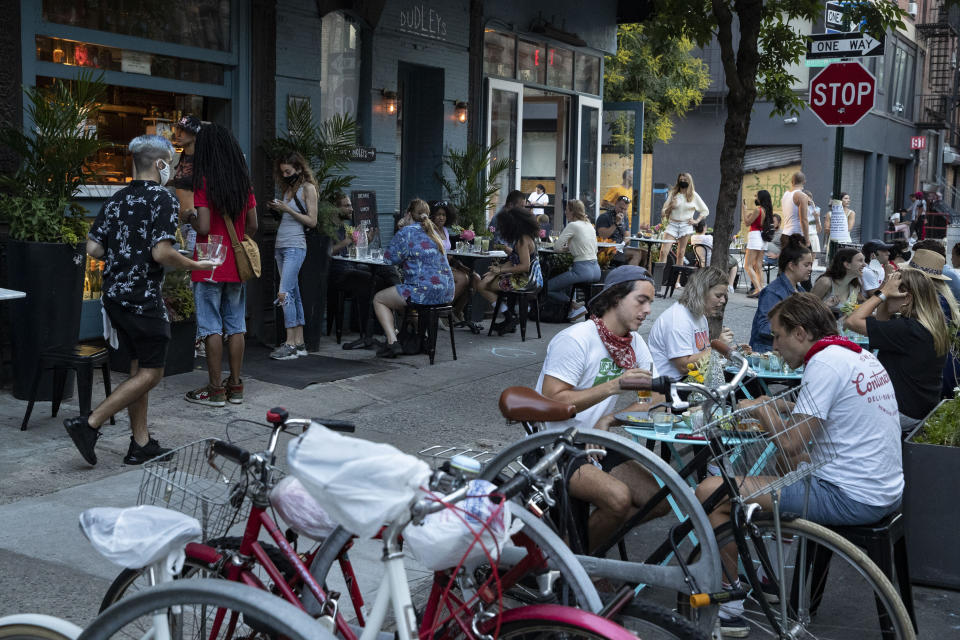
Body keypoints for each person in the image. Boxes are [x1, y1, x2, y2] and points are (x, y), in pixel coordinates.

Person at [697, 293, 903, 637]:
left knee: (711, 492)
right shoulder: (853, 354)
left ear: (801, 333)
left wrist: (761, 408)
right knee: (785, 462)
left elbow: (793, 440)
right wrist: (781, 408)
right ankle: (768, 577)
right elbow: (826, 414)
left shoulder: (824, 363)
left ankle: (730, 609)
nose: (775, 345)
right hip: (883, 488)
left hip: (851, 496)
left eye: (778, 336)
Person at [64, 135, 214, 466]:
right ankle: (88, 424)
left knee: (138, 368)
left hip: (114, 297)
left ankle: (140, 443)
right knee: (152, 372)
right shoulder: (165, 199)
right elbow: (161, 252)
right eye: (170, 164)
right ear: (160, 164)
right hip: (143, 299)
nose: (172, 169)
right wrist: (195, 264)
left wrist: (123, 248)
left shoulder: (116, 199)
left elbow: (94, 248)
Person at [535, 265, 669, 551]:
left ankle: (575, 552)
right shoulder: (577, 339)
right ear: (615, 298)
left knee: (658, 501)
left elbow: (655, 396)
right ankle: (574, 567)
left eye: (651, 303)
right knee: (617, 499)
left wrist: (611, 418)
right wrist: (613, 386)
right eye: (641, 300)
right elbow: (551, 402)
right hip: (554, 445)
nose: (647, 310)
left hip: (594, 442)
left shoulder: (634, 344)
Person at [184, 124, 258, 407]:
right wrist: (236, 240)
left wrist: (189, 217)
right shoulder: (243, 181)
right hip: (236, 264)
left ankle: (215, 390)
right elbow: (252, 224)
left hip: (207, 260)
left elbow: (203, 224)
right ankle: (236, 386)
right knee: (236, 324)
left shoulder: (203, 180)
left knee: (211, 326)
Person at [845, 262, 951, 433]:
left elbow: (851, 321)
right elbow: (882, 322)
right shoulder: (928, 325)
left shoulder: (908, 330)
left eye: (893, 292)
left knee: (839, 413)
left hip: (902, 412)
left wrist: (882, 293)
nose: (888, 296)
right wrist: (886, 296)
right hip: (919, 408)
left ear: (907, 298)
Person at [373, 199, 455, 358]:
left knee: (379, 299)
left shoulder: (406, 232)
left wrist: (400, 229)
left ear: (408, 214)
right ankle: (420, 340)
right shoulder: (434, 232)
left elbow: (389, 259)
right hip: (447, 292)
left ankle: (392, 342)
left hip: (422, 292)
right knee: (410, 298)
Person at [329, 194, 400, 350]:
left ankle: (399, 305)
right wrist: (348, 241)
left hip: (352, 267)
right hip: (339, 273)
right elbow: (329, 252)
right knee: (372, 281)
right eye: (347, 205)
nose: (351, 209)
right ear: (336, 208)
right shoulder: (330, 227)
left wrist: (366, 240)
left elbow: (352, 252)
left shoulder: (344, 227)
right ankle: (379, 330)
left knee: (386, 270)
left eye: (350, 205)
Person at [266, 151, 318, 360]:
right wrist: (278, 210)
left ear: (298, 169)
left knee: (284, 293)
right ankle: (299, 343)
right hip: (282, 244)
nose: (285, 175)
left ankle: (289, 344)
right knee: (292, 293)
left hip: (296, 245)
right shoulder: (288, 188)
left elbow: (312, 221)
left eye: (288, 171)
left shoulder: (308, 188)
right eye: (282, 172)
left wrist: (287, 209)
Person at [648, 266, 735, 380]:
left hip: (692, 379)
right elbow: (684, 367)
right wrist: (717, 348)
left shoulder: (699, 315)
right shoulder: (678, 320)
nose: (723, 300)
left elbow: (701, 354)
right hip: (671, 386)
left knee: (745, 380)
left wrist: (727, 351)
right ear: (701, 292)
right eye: (718, 296)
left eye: (724, 296)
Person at [479, 207, 544, 335]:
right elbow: (515, 260)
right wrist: (495, 272)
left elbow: (524, 266)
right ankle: (509, 317)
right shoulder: (525, 237)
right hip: (530, 280)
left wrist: (499, 270)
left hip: (526, 282)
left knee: (482, 285)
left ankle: (509, 316)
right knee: (485, 282)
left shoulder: (522, 241)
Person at [749, 235, 813, 352]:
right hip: (767, 353)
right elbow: (764, 327)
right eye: (806, 265)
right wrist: (795, 330)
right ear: (792, 266)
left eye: (811, 265)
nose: (810, 269)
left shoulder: (801, 291)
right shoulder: (773, 292)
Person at [547, 199, 601, 321]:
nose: (565, 213)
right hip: (596, 270)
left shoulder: (573, 225)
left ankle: (575, 305)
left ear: (572, 211)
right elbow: (592, 248)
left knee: (548, 287)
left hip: (582, 270)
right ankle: (574, 309)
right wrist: (571, 248)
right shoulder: (589, 225)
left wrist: (565, 249)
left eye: (567, 210)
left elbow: (556, 247)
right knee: (565, 282)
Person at [430, 200, 481, 323]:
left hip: (448, 265)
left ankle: (457, 311)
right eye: (438, 214)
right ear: (432, 216)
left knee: (475, 278)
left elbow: (450, 256)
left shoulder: (445, 231)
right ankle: (440, 312)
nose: (441, 217)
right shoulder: (431, 232)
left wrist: (462, 267)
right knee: (463, 279)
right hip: (435, 267)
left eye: (443, 215)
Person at [659, 172, 708, 265]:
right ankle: (659, 276)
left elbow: (705, 210)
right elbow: (663, 212)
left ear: (689, 182)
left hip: (686, 225)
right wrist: (671, 206)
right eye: (681, 180)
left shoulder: (693, 195)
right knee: (663, 252)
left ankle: (678, 278)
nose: (683, 182)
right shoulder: (673, 194)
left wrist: (696, 221)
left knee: (681, 253)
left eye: (685, 180)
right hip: (672, 224)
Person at [689, 222, 740, 297]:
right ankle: (730, 286)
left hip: (702, 263)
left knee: (730, 261)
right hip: (713, 261)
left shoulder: (693, 237)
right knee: (734, 263)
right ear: (704, 228)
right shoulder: (709, 238)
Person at [810, 248, 865, 312]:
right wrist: (825, 306)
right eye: (860, 261)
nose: (864, 264)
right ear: (847, 265)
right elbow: (807, 308)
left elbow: (848, 312)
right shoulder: (825, 282)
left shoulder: (855, 286)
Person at [171, 115, 201, 224]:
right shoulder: (182, 157)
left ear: (194, 134)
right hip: (180, 220)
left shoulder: (201, 160)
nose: (178, 134)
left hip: (195, 219)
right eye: (177, 129)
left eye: (183, 130)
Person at [742, 190, 772, 297]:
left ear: (761, 198)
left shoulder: (758, 210)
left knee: (748, 265)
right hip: (763, 237)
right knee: (758, 266)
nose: (755, 198)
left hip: (755, 236)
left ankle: (758, 289)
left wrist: (744, 210)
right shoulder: (766, 210)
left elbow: (746, 222)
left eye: (756, 196)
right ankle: (761, 288)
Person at [779, 171, 809, 243]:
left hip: (785, 234)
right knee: (807, 254)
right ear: (804, 181)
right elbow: (804, 220)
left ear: (792, 181)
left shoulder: (785, 195)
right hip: (796, 235)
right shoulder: (802, 196)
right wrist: (807, 239)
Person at [803, 189, 822, 259]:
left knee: (812, 258)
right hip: (802, 236)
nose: (808, 201)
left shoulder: (816, 210)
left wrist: (816, 217)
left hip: (813, 235)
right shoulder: (798, 209)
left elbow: (819, 230)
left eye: (809, 199)